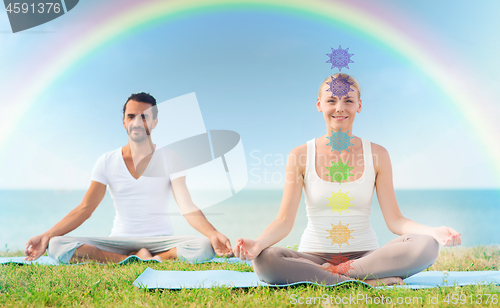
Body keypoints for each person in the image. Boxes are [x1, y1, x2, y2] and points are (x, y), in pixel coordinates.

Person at [233, 73, 462, 286]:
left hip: (367, 257)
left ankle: (339, 277)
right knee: (265, 261)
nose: (339, 108)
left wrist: (432, 231)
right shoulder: (300, 155)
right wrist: (259, 244)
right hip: (313, 257)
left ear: (359, 105)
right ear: (319, 104)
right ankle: (364, 281)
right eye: (331, 100)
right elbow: (284, 220)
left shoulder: (378, 155)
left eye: (348, 101)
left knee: (426, 245)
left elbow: (395, 220)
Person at [24, 92, 233, 264]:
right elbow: (85, 209)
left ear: (155, 122)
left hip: (161, 239)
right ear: (124, 121)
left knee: (204, 246)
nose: (137, 122)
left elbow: (187, 206)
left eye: (144, 117)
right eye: (131, 116)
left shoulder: (171, 158)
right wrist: (46, 236)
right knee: (57, 245)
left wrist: (213, 233)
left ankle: (155, 257)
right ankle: (132, 259)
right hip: (119, 239)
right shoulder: (106, 161)